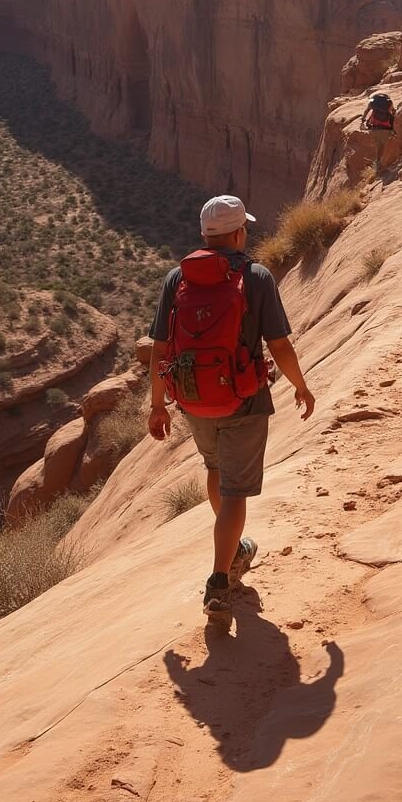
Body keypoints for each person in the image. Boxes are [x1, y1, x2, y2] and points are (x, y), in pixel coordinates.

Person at [147, 195, 316, 623]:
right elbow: (279, 345)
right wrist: (301, 387)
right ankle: (220, 580)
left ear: (205, 234)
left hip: (193, 399)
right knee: (236, 490)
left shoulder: (176, 278)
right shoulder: (256, 277)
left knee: (215, 471)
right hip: (243, 397)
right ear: (239, 233)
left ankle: (234, 546)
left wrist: (157, 406)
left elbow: (160, 349)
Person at [361, 92, 396, 172]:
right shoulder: (389, 102)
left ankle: (377, 165)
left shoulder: (373, 102)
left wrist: (363, 121)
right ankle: (381, 166)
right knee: (385, 147)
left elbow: (366, 111)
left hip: (374, 128)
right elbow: (393, 112)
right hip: (386, 129)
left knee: (378, 147)